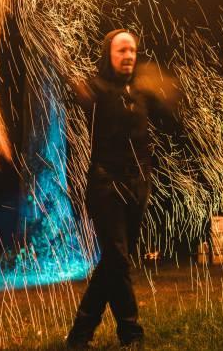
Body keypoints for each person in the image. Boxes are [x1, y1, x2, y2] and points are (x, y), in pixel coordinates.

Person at [65, 29, 179, 349]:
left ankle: (80, 333)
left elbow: (172, 120)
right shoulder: (96, 89)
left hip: (138, 184)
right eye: (121, 51)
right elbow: (76, 94)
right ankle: (131, 333)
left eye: (132, 50)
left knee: (116, 260)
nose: (128, 55)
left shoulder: (141, 92)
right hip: (105, 184)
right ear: (109, 55)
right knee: (117, 257)